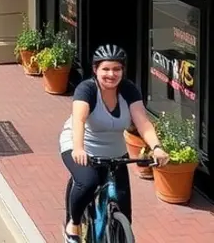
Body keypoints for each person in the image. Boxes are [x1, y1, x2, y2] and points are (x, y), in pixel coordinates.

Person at [59, 44, 169, 242]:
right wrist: (78, 148)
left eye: (117, 69)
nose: (111, 74)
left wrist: (157, 147)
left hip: (114, 150)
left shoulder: (128, 90)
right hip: (81, 144)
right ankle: (73, 224)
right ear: (95, 70)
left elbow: (142, 123)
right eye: (106, 69)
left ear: (123, 71)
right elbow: (79, 120)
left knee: (124, 209)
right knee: (88, 182)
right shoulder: (87, 89)